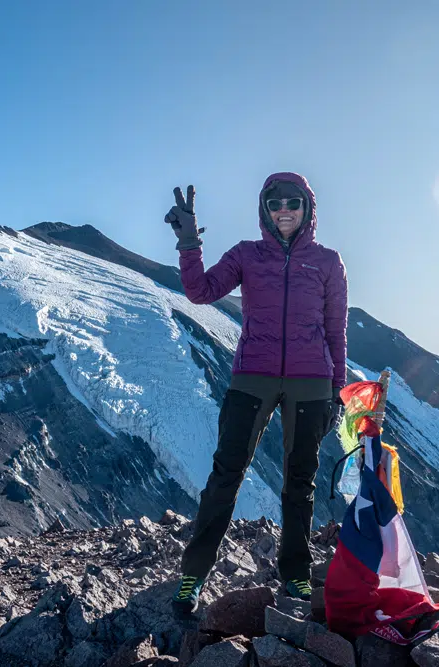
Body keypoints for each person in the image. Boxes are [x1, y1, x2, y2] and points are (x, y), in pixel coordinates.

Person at [164, 172, 348, 614]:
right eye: (276, 203)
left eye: (293, 202)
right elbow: (199, 291)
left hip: (311, 384)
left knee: (299, 482)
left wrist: (336, 393)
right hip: (253, 376)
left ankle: (297, 575)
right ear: (264, 209)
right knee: (226, 473)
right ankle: (194, 573)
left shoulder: (327, 262)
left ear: (308, 208)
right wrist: (190, 243)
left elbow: (336, 331)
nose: (285, 210)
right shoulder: (247, 255)